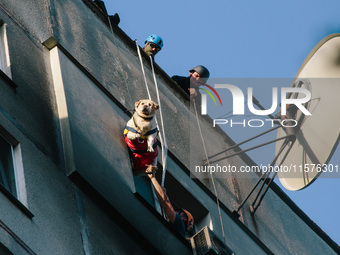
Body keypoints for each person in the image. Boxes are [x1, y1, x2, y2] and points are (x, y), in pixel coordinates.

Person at [147, 171, 194, 237]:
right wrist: (163, 193)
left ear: (185, 219)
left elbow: (165, 201)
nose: (176, 211)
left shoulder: (180, 223)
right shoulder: (177, 230)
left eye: (179, 212)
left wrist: (152, 178)